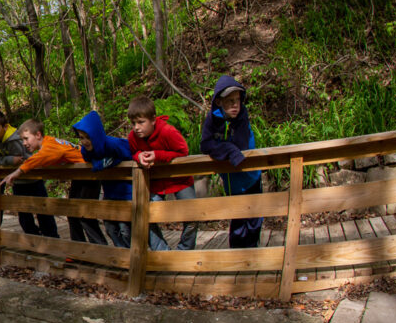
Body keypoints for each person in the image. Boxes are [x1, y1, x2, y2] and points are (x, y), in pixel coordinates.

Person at [0, 118, 107, 245]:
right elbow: (48, 157)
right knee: (72, 213)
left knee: (84, 215)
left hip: (90, 174)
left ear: (38, 135)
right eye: (22, 139)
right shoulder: (50, 143)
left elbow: (38, 158)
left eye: (26, 138)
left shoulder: (49, 146)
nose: (24, 143)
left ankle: (100, 249)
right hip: (80, 176)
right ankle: (78, 250)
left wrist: (17, 172)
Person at [200, 75, 263, 248]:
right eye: (229, 101)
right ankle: (237, 257)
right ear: (219, 102)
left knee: (254, 218)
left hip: (251, 176)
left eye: (237, 100)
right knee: (238, 221)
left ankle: (252, 255)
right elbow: (205, 144)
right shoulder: (213, 120)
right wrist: (228, 150)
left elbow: (241, 145)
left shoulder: (242, 116)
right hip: (232, 180)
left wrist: (221, 148)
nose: (235, 105)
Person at [127, 96, 197, 251]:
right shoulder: (133, 137)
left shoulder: (168, 131)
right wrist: (138, 156)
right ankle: (163, 253)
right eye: (133, 123)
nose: (136, 127)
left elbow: (183, 151)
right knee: (145, 216)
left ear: (153, 120)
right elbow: (131, 152)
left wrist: (157, 155)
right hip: (156, 183)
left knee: (193, 215)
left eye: (141, 122)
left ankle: (184, 251)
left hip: (180, 180)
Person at [0, 111, 58, 237]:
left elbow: (30, 156)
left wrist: (19, 163)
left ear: (5, 127)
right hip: (17, 181)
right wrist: (10, 160)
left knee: (43, 211)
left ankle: (52, 238)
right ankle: (33, 239)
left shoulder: (18, 138)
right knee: (24, 216)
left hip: (33, 179)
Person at [73, 111, 133, 248]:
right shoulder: (86, 150)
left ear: (95, 135)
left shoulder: (113, 144)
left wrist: (106, 163)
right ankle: (121, 252)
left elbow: (131, 153)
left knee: (125, 228)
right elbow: (88, 159)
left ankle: (130, 256)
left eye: (87, 137)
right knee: (110, 226)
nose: (84, 141)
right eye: (81, 137)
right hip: (110, 192)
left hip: (126, 191)